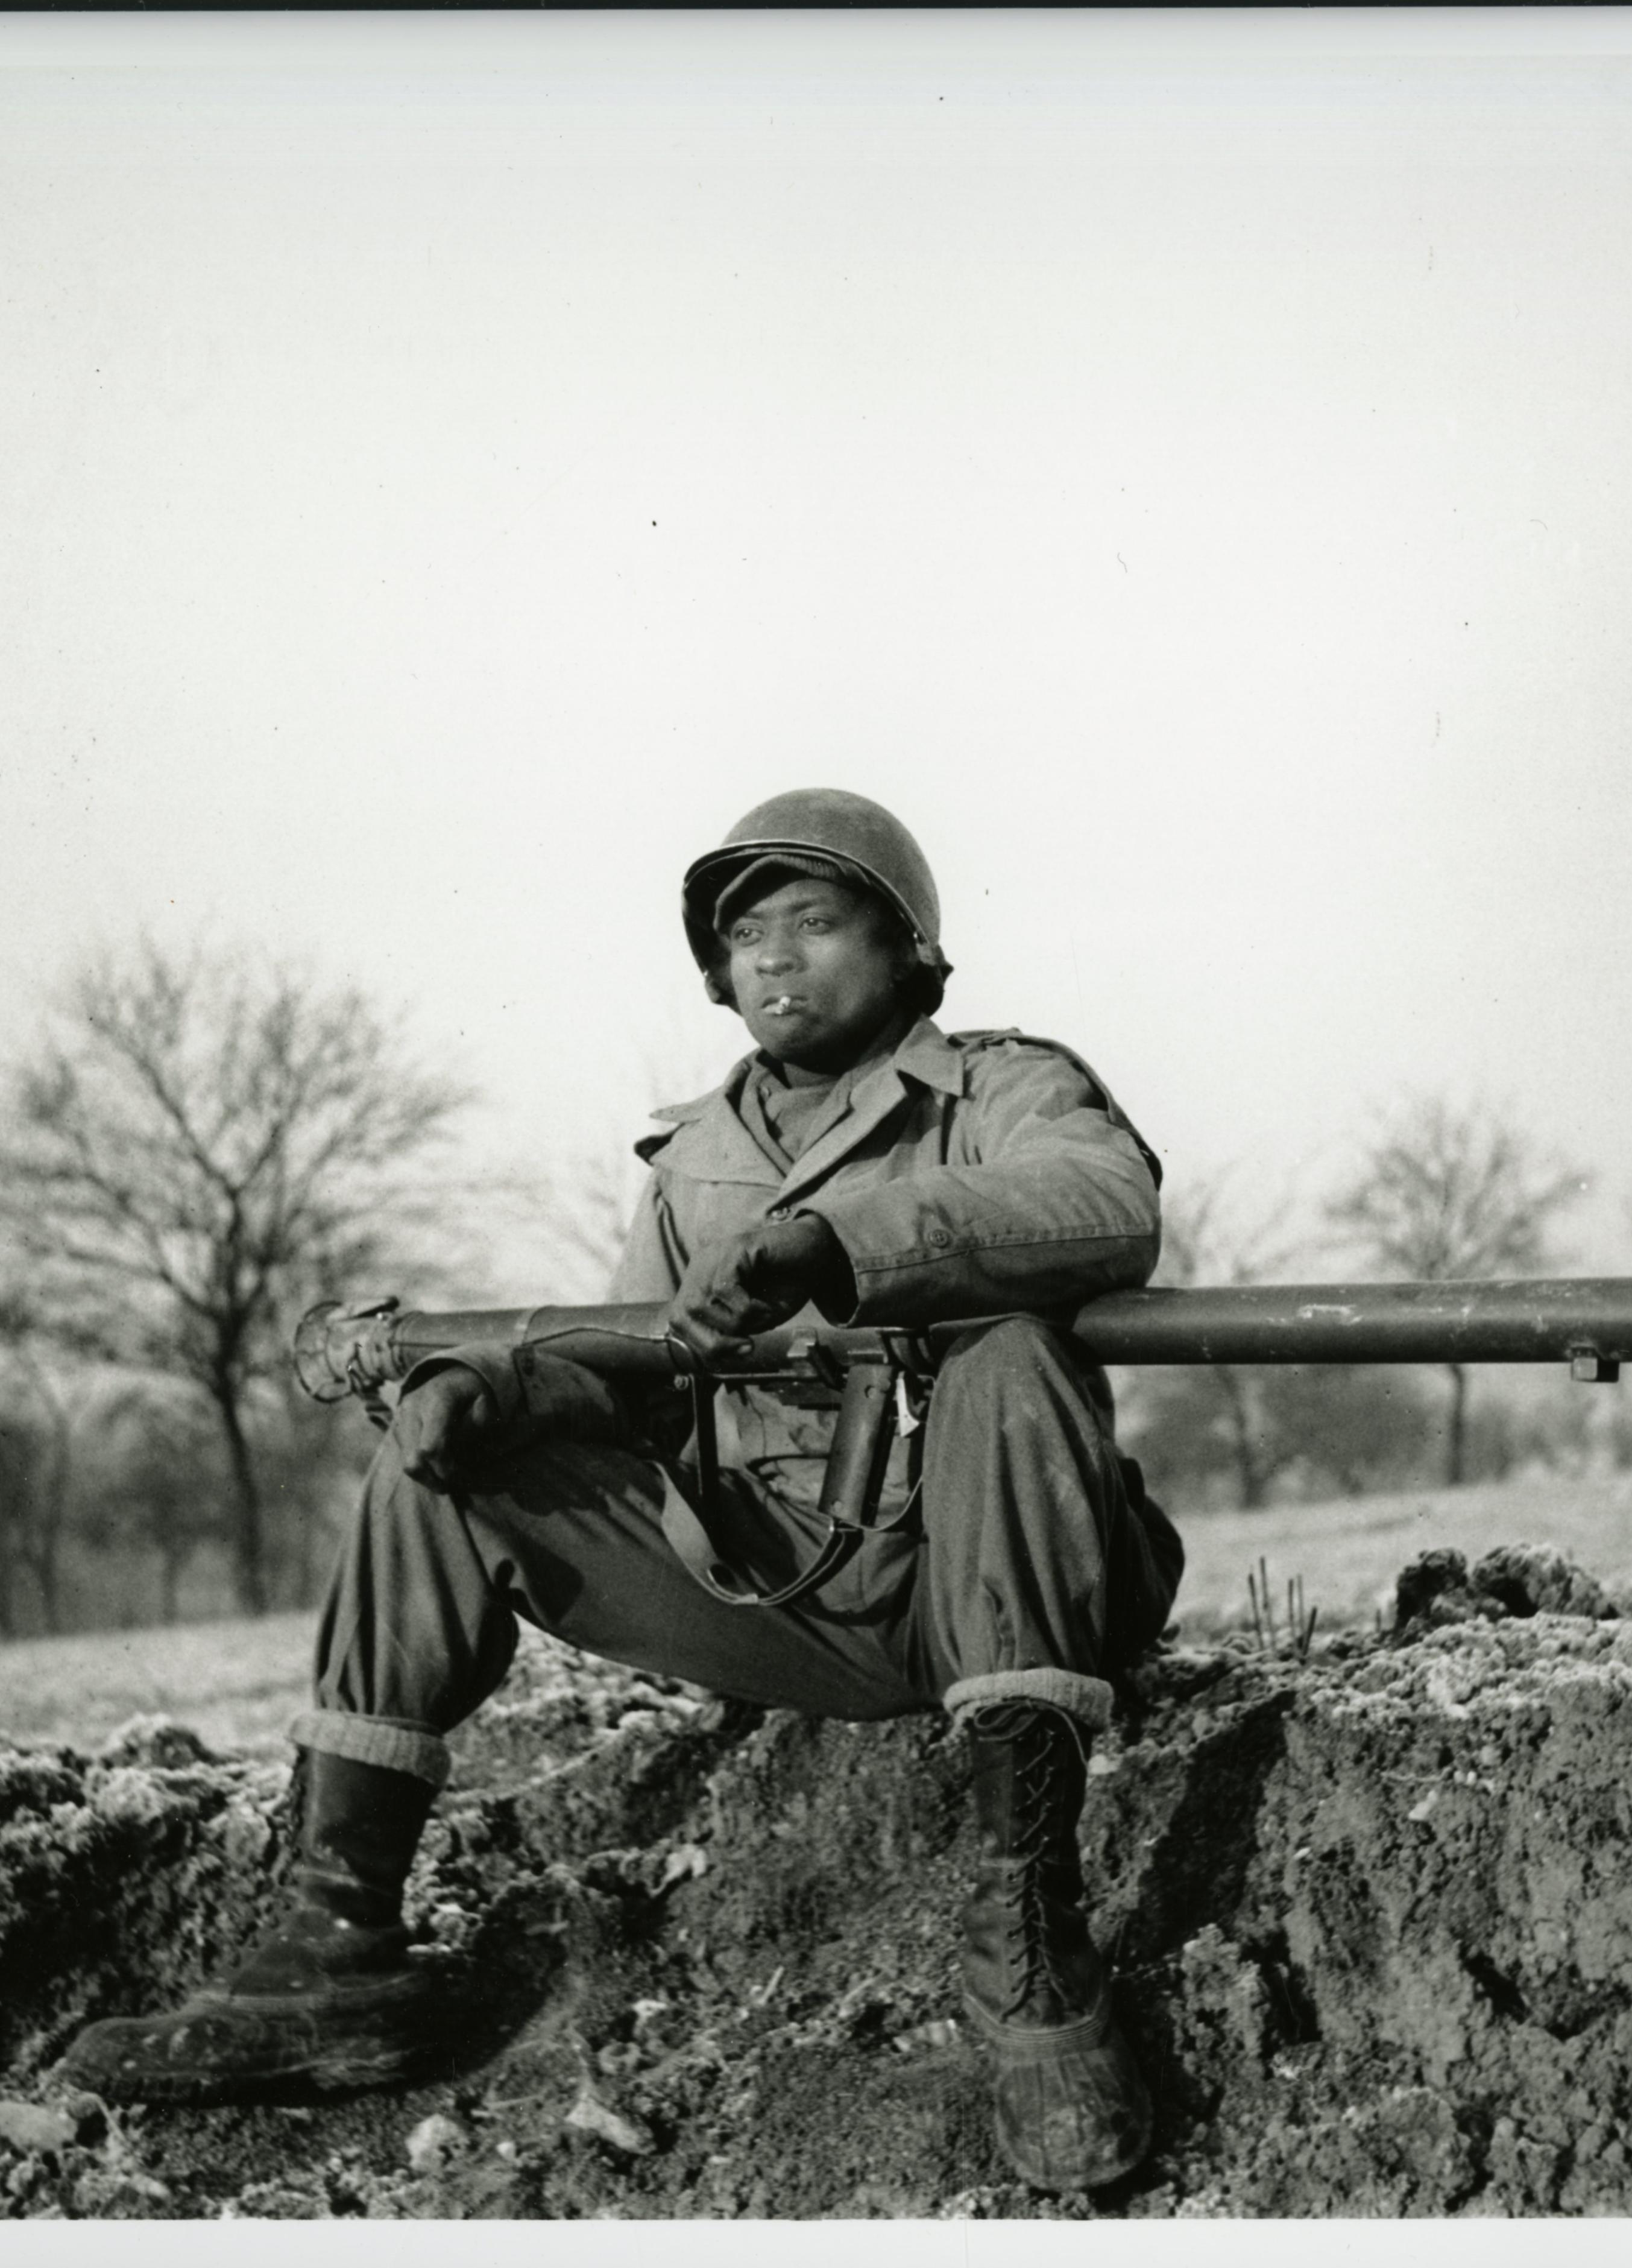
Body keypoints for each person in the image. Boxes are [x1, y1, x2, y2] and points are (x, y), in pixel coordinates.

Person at [62, 789, 1185, 2193]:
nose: (777, 960)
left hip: (1004, 1588)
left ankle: (1031, 1941)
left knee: (1014, 1360)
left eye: (817, 923)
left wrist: (826, 1246)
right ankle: (332, 1942)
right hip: (787, 1591)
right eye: (746, 935)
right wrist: (508, 1397)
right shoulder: (692, 1161)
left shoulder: (1003, 1089)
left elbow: (1105, 1206)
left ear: (907, 951)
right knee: (440, 1456)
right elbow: (634, 1368)